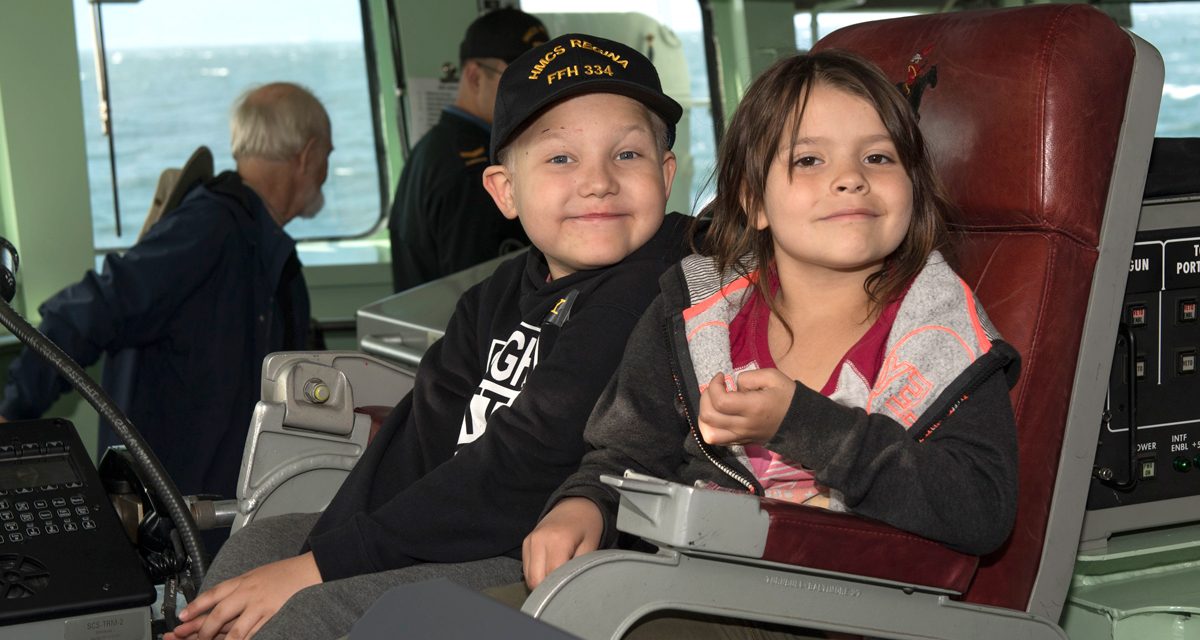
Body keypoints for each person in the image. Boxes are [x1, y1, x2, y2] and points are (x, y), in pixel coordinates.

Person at [166, 33, 689, 640]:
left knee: (316, 611)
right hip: (460, 523)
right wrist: (318, 554)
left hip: (551, 543)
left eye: (627, 155)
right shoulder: (494, 296)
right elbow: (420, 437)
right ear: (505, 191)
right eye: (560, 159)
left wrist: (321, 573)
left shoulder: (654, 287)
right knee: (266, 542)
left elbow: (524, 464)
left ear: (666, 173)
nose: (598, 181)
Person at [519, 49, 1020, 636]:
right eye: (809, 159)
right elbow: (624, 456)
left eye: (878, 157)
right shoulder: (698, 313)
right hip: (687, 586)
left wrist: (801, 421)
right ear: (753, 201)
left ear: (913, 185)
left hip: (842, 612)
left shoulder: (943, 336)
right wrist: (583, 505)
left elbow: (981, 507)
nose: (850, 177)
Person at [0, 82, 329, 523]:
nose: (327, 167)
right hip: (176, 518)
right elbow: (93, 307)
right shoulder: (208, 228)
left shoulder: (273, 258)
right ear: (307, 155)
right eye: (328, 154)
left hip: (232, 507)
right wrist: (13, 411)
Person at [388, 7, 548, 292]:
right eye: (519, 77)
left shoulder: (434, 146)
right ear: (475, 77)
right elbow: (483, 291)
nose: (536, 91)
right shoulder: (474, 172)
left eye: (542, 77)